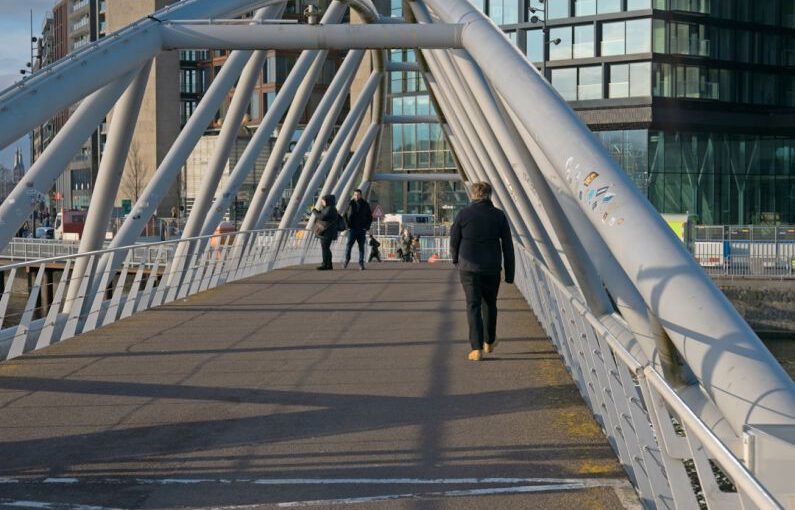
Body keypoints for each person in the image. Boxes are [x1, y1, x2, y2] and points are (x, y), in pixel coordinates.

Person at [450, 182, 514, 361]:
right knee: (490, 304)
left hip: (468, 267)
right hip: (491, 267)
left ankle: (476, 348)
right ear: (489, 195)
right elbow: (508, 246)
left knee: (473, 305)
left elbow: (454, 239)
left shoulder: (463, 214)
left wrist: (455, 259)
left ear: (473, 195)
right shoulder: (499, 216)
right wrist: (510, 274)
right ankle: (489, 341)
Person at [343, 189, 373, 270]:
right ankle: (347, 259)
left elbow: (370, 217)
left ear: (361, 195)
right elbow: (344, 215)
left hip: (361, 229)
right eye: (355, 195)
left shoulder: (365, 204)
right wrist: (347, 226)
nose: (356, 196)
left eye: (358, 195)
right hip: (352, 229)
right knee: (349, 246)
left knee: (361, 247)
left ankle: (361, 264)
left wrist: (366, 227)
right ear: (353, 195)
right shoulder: (350, 203)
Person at [311, 194, 340, 271]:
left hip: (326, 232)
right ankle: (329, 264)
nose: (322, 202)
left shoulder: (329, 208)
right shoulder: (329, 208)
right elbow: (323, 215)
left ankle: (325, 264)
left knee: (325, 248)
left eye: (323, 200)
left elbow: (321, 217)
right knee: (326, 248)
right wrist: (317, 211)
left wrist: (314, 211)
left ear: (328, 201)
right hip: (328, 231)